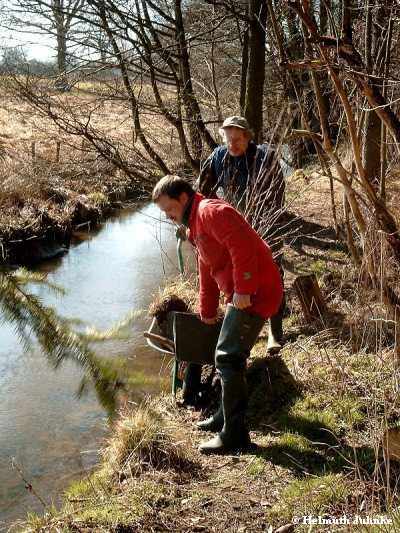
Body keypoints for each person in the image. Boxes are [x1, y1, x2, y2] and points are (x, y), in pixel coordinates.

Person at [152, 175, 283, 455]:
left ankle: (234, 435)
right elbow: (208, 268)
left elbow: (243, 248)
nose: (168, 216)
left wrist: (245, 287)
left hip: (257, 291)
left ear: (183, 198)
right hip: (243, 292)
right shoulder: (194, 225)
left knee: (227, 356)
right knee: (225, 355)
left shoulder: (212, 212)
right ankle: (224, 418)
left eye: (169, 209)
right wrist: (207, 308)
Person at [198, 115, 286, 354]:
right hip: (235, 226)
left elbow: (276, 197)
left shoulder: (264, 158)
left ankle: (275, 333)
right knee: (238, 275)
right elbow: (203, 192)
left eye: (237, 139)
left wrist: (261, 224)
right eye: (228, 140)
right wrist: (207, 220)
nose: (233, 145)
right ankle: (245, 327)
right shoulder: (219, 157)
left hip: (266, 222)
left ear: (248, 138)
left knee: (272, 273)